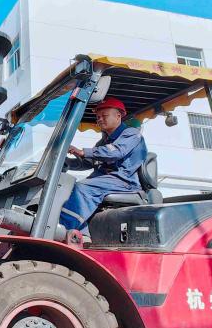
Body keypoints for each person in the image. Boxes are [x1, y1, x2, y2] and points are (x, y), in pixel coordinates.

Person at [58, 97, 147, 234]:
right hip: (107, 181)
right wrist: (65, 162)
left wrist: (83, 152)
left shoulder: (131, 134)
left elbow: (116, 152)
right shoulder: (103, 142)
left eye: (104, 116)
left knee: (83, 188)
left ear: (118, 116)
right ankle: (82, 235)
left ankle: (62, 230)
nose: (99, 119)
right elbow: (89, 162)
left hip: (123, 181)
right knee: (67, 187)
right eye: (98, 117)